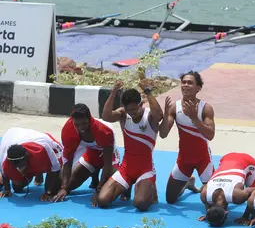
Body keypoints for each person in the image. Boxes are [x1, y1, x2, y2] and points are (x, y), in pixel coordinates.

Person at [97, 79, 163, 211]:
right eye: (129, 110)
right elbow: (105, 116)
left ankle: (150, 188)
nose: (132, 112)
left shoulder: (149, 116)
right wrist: (114, 92)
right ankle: (128, 185)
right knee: (102, 200)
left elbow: (160, 115)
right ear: (124, 106)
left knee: (140, 204)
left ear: (141, 104)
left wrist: (148, 92)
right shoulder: (123, 114)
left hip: (145, 169)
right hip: (126, 168)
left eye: (135, 109)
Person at [159, 71, 216, 204]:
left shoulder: (206, 108)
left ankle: (206, 182)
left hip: (203, 160)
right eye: (183, 82)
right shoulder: (174, 107)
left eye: (190, 83)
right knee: (170, 199)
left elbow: (210, 135)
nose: (185, 85)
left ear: (198, 88)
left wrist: (195, 118)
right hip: (184, 160)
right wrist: (166, 114)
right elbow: (163, 134)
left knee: (213, 200)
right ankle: (188, 182)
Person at [51, 103, 120, 206]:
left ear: (90, 119)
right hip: (92, 153)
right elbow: (67, 160)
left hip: (108, 156)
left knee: (106, 196)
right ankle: (94, 173)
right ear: (72, 121)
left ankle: (123, 181)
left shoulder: (104, 131)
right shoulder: (68, 130)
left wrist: (99, 189)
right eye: (77, 125)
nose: (80, 128)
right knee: (67, 184)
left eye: (84, 123)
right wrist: (64, 188)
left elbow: (107, 164)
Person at [0, 127, 63, 201]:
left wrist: (49, 192)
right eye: (15, 165)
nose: (18, 168)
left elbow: (55, 168)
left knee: (57, 179)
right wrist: (7, 189)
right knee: (17, 187)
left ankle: (39, 172)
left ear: (27, 155)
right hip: (13, 136)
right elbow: (4, 174)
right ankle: (35, 172)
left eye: (20, 164)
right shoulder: (5, 160)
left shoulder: (42, 149)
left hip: (45, 142)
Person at [198, 152, 255, 227]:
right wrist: (210, 215)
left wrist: (246, 216)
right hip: (226, 158)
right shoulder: (204, 195)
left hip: (247, 161)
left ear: (226, 212)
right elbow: (206, 199)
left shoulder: (237, 196)